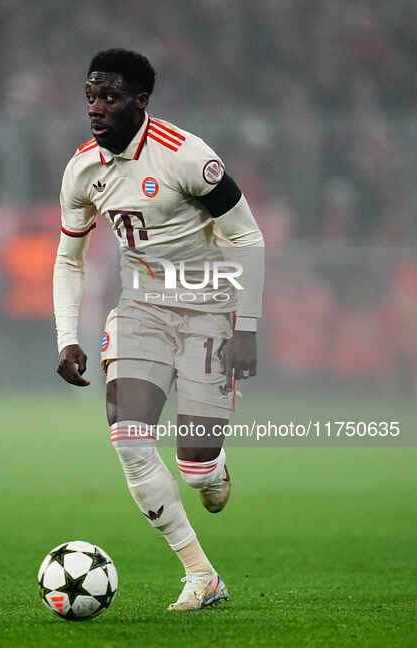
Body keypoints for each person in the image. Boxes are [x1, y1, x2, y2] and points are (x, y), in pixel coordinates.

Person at [53, 49, 264, 611]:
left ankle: (210, 468)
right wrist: (66, 336)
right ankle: (201, 575)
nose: (96, 108)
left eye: (110, 97)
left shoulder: (187, 157)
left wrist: (246, 326)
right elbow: (69, 259)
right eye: (91, 96)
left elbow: (248, 239)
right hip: (141, 309)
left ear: (141, 101)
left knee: (195, 468)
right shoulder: (83, 169)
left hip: (209, 310)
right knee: (128, 438)